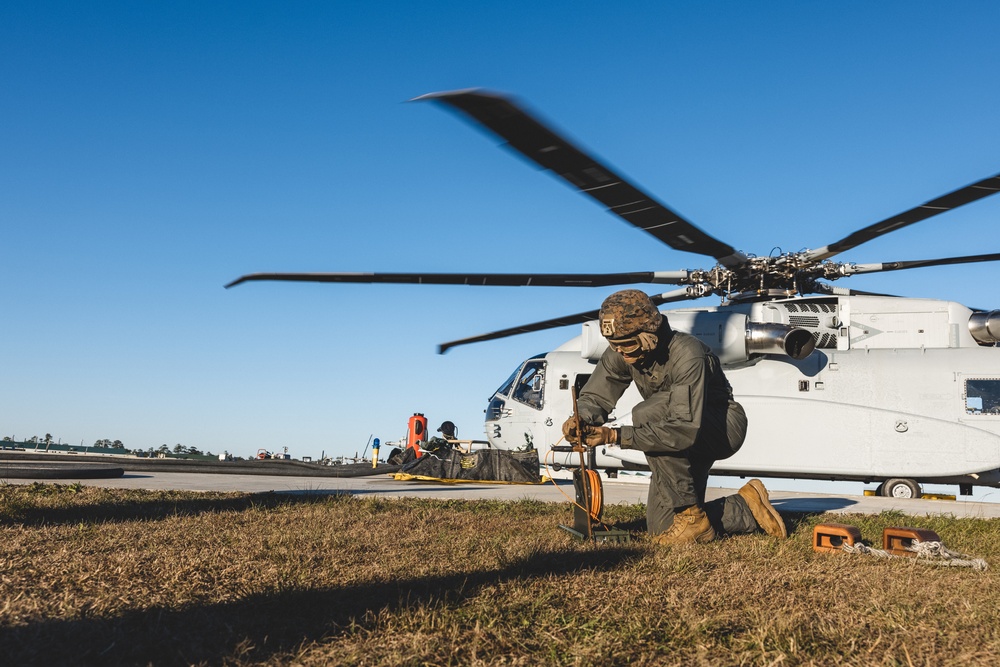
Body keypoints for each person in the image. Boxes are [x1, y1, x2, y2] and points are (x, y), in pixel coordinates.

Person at [562, 289, 787, 545]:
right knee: (662, 529)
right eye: (614, 345)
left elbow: (681, 429)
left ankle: (692, 516)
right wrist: (581, 418)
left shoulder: (687, 353)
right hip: (675, 439)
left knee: (646, 414)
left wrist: (614, 435)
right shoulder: (622, 351)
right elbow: (597, 396)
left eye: (628, 345)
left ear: (651, 334)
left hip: (719, 428)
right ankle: (745, 506)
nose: (621, 353)